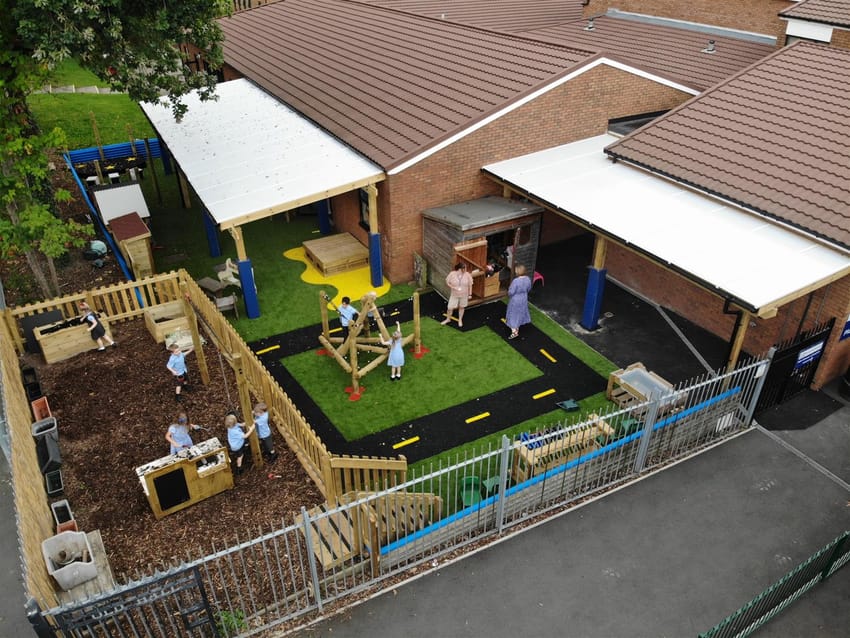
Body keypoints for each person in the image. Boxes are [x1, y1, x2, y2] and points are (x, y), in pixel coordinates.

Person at [441, 262, 473, 327]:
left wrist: (470, 294)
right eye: (464, 268)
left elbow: (470, 285)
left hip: (464, 295)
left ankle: (460, 320)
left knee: (462, 307)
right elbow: (447, 282)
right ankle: (448, 319)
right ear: (459, 269)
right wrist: (453, 287)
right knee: (450, 307)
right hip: (454, 294)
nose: (465, 270)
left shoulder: (467, 275)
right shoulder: (452, 274)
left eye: (465, 268)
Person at [505, 264, 532, 339]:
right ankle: (517, 328)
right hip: (523, 298)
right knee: (520, 313)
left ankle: (514, 332)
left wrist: (509, 292)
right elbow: (529, 288)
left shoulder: (516, 281)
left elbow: (511, 292)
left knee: (513, 314)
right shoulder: (528, 279)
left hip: (515, 299)